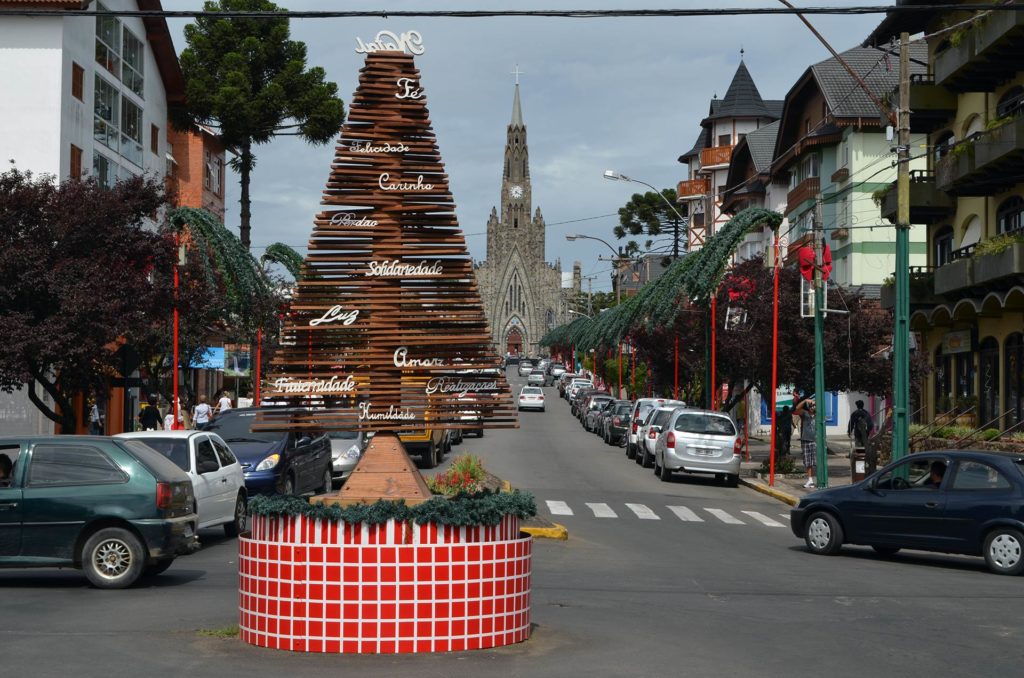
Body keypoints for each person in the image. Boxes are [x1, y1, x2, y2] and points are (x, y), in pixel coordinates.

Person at [794, 396, 817, 488]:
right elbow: (797, 408)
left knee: (815, 461)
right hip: (805, 440)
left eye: (814, 405)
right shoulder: (805, 413)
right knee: (808, 462)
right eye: (811, 406)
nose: (812, 407)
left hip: (815, 441)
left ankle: (817, 479)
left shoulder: (818, 414)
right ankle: (810, 480)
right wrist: (805, 401)